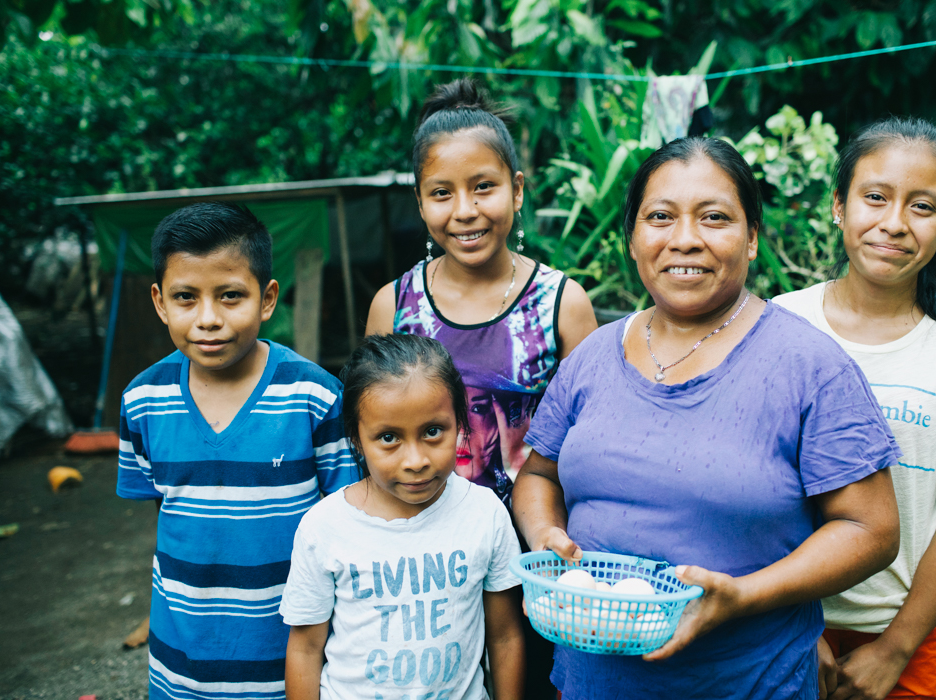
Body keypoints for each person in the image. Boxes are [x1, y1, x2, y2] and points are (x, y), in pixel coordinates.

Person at [512, 136, 903, 700]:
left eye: (714, 218)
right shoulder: (594, 356)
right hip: (591, 681)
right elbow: (539, 476)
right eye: (660, 217)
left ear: (751, 239)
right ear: (633, 238)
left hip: (746, 681)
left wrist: (745, 594)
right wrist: (546, 535)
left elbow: (871, 530)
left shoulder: (809, 366)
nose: (685, 240)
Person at [775, 117, 936, 700]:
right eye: (874, 197)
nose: (894, 223)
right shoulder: (780, 324)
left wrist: (895, 649)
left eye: (923, 206)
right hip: (777, 617)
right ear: (839, 204)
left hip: (910, 632)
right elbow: (756, 483)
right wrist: (795, 625)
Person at [116, 202, 357, 700]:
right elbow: (169, 510)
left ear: (267, 298)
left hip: (292, 658)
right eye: (186, 298)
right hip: (181, 661)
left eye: (230, 296)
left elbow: (345, 520)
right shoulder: (142, 401)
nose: (208, 319)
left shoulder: (314, 396)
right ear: (160, 302)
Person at [365, 78, 597, 505]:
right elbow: (373, 436)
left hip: (528, 546)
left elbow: (588, 445)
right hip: (421, 546)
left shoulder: (562, 305)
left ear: (518, 189)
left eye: (483, 187)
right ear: (419, 203)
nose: (465, 211)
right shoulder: (393, 307)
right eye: (441, 193)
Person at [281, 333, 525, 700]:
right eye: (389, 438)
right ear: (356, 439)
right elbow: (305, 648)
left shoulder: (485, 513)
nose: (415, 461)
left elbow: (505, 636)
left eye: (432, 432)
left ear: (460, 424)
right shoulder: (324, 527)